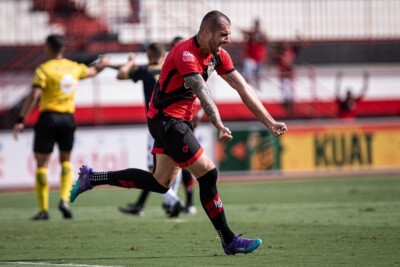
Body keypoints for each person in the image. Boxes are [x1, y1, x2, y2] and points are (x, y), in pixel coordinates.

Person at [70, 10, 287, 255]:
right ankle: (228, 239)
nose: (228, 39)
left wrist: (269, 121)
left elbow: (242, 86)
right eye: (224, 35)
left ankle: (92, 178)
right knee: (208, 173)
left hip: (173, 121)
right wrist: (218, 124)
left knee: (160, 183)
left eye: (229, 35)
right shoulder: (185, 54)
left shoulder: (218, 55)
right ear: (207, 32)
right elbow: (203, 93)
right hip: (168, 122)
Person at [12, 34, 109, 220]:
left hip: (48, 118)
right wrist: (103, 63)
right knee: (66, 161)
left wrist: (20, 119)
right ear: (62, 49)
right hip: (68, 119)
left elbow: (34, 96)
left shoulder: (44, 69)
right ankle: (64, 200)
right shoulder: (72, 67)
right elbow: (93, 72)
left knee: (42, 165)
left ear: (48, 48)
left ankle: (43, 210)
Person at [108, 43, 185, 217]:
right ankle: (167, 202)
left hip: (156, 124)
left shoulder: (147, 70)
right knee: (174, 164)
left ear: (149, 56)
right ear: (163, 55)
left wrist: (130, 62)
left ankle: (173, 201)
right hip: (176, 121)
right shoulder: (171, 69)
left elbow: (121, 74)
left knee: (153, 170)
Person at [274, 35, 307, 115]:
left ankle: (291, 111)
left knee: (291, 94)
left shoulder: (291, 50)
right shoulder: (279, 54)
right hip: (285, 76)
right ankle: (287, 111)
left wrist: (300, 38)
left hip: (290, 75)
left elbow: (303, 45)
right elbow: (283, 62)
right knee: (287, 95)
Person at [241, 18, 269, 91]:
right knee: (247, 70)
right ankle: (247, 85)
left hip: (259, 58)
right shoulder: (251, 33)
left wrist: (260, 37)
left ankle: (258, 87)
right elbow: (244, 34)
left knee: (259, 76)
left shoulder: (261, 34)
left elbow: (266, 40)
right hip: (251, 57)